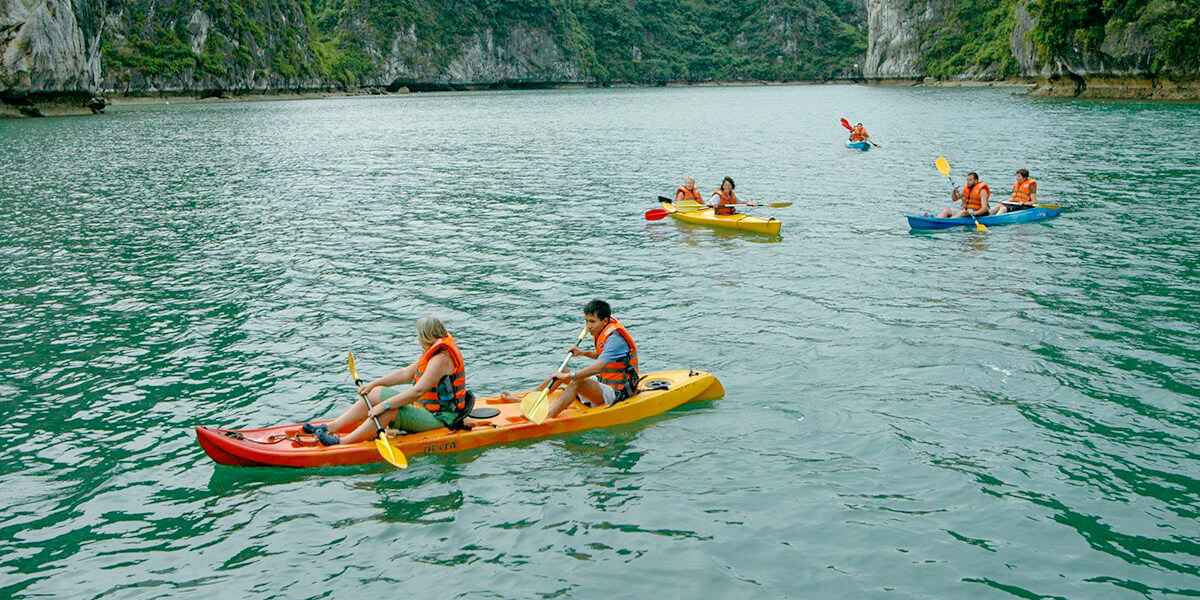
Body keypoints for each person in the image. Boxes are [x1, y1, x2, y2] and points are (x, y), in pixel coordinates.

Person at [304, 315, 471, 446]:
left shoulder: (441, 359)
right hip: (426, 409)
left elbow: (417, 391)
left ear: (426, 337)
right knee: (375, 393)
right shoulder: (433, 353)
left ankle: (342, 442)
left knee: (387, 412)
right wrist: (373, 384)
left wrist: (384, 405)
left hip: (442, 418)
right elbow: (405, 374)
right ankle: (330, 427)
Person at [541, 299, 639, 420]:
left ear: (605, 320)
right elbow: (604, 356)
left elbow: (598, 368)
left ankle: (548, 418)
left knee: (578, 381)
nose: (588, 326)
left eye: (592, 321)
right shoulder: (603, 330)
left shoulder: (615, 339)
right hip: (604, 381)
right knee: (562, 371)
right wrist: (583, 353)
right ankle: (528, 398)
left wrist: (570, 376)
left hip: (618, 391)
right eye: (586, 321)